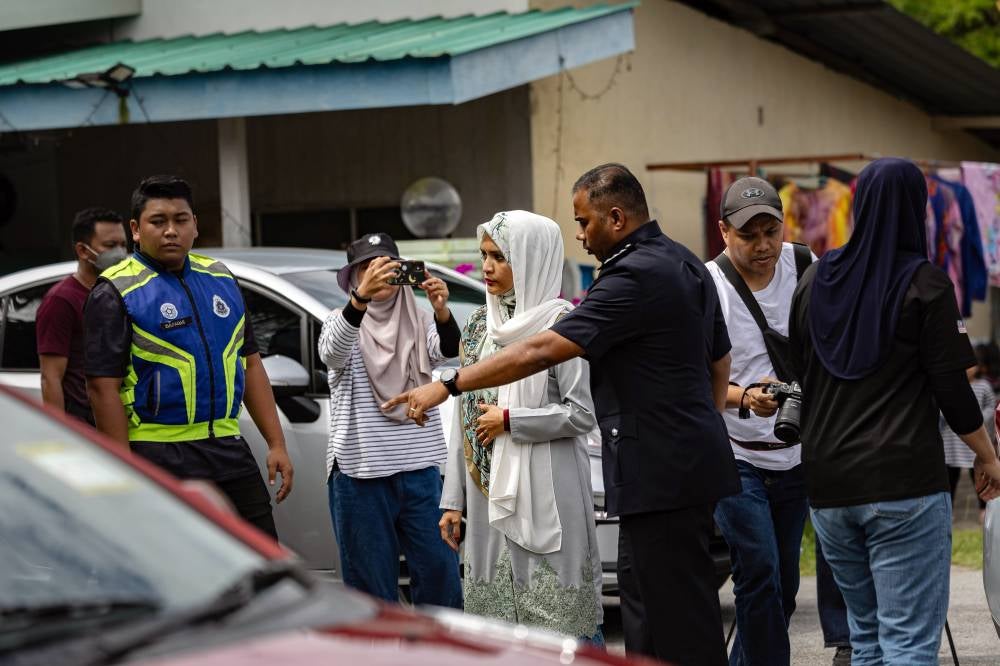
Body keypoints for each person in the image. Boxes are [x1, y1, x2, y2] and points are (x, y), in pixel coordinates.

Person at [386, 163, 740, 665]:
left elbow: (543, 353)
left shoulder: (632, 278)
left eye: (584, 222)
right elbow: (718, 360)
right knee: (650, 616)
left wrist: (448, 384)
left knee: (679, 622)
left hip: (661, 472)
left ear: (616, 218)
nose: (580, 234)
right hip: (669, 467)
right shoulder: (683, 262)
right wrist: (699, 424)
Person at [788, 158, 1000, 664]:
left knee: (867, 640)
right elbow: (952, 389)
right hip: (903, 484)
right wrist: (987, 456)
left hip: (830, 487)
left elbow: (800, 372)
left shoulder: (814, 282)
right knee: (907, 643)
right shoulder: (925, 284)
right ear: (915, 210)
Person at [85, 175, 293, 539]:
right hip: (158, 453)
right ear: (136, 229)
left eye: (180, 220)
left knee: (261, 558)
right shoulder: (116, 291)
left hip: (228, 448)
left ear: (195, 225)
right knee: (179, 568)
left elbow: (250, 362)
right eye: (158, 221)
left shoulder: (221, 279)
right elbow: (103, 389)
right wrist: (123, 469)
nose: (170, 231)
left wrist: (276, 443)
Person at [438, 211, 603, 640]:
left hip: (549, 488)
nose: (487, 267)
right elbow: (464, 418)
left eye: (499, 257)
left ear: (531, 259)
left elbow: (581, 413)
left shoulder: (563, 325)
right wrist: (453, 499)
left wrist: (513, 420)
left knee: (562, 632)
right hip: (486, 495)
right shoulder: (477, 327)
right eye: (484, 255)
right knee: (498, 634)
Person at [317, 232, 462, 608]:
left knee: (441, 581)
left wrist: (442, 310)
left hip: (421, 473)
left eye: (387, 266)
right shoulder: (340, 321)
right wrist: (360, 300)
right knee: (372, 593)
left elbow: (445, 352)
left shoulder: (418, 320)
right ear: (352, 279)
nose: (379, 274)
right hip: (359, 477)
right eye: (367, 268)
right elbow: (332, 355)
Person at [707, 177, 814, 666]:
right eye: (749, 235)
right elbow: (693, 376)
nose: (763, 245)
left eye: (771, 231)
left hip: (796, 456)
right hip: (735, 455)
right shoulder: (708, 285)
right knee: (760, 570)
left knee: (784, 587)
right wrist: (744, 398)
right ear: (724, 232)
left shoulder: (807, 266)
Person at [37, 207, 127, 424]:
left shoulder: (122, 292)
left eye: (124, 245)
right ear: (83, 250)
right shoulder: (61, 300)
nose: (120, 253)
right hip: (85, 425)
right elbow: (51, 378)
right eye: (110, 246)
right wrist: (61, 437)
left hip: (121, 419)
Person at [941, 344, 996, 523]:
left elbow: (991, 406)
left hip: (976, 443)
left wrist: (980, 418)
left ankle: (983, 508)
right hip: (952, 443)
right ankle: (948, 511)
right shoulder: (951, 386)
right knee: (951, 479)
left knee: (979, 477)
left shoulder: (983, 386)